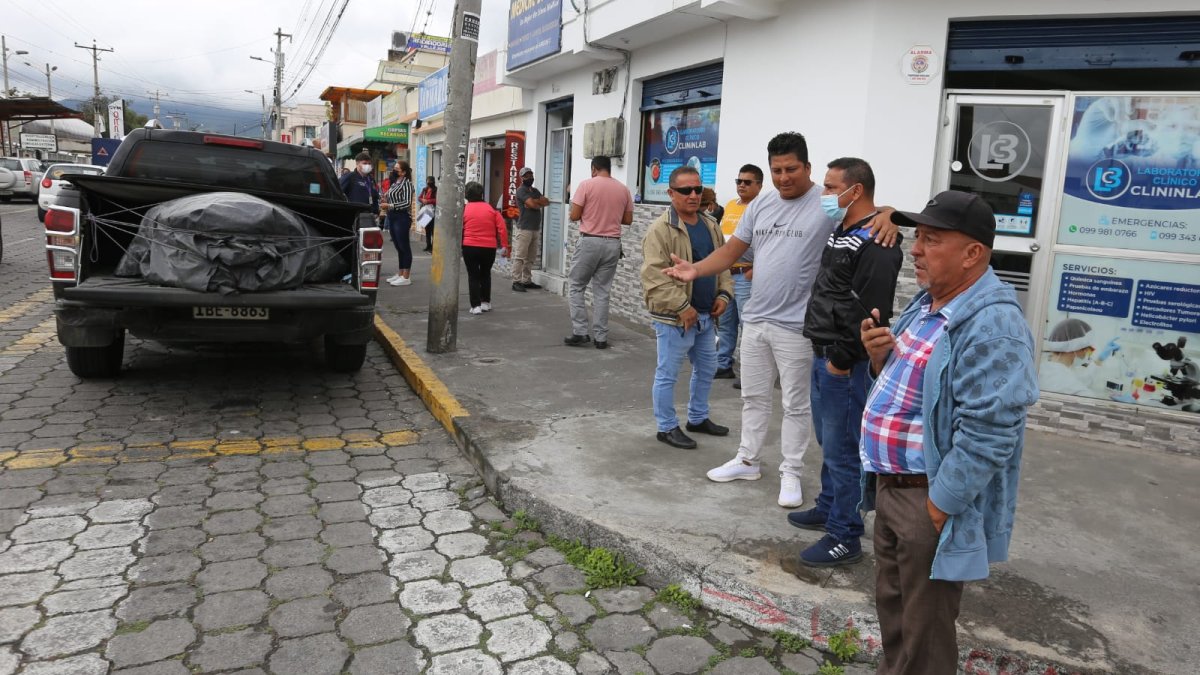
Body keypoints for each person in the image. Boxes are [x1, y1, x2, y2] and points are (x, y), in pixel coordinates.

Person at [662, 132, 896, 508]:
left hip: (798, 326)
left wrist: (889, 215)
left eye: (791, 169)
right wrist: (696, 270)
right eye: (776, 170)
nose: (783, 177)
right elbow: (733, 250)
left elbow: (865, 208)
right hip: (756, 319)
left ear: (807, 167)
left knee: (795, 404)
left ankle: (791, 471)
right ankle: (748, 460)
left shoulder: (827, 202)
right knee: (753, 398)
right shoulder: (762, 204)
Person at [859, 190, 1038, 675]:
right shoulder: (929, 304)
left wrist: (940, 506)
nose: (915, 249)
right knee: (896, 617)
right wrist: (880, 358)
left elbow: (991, 432)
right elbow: (918, 394)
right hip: (894, 488)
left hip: (928, 499)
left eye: (932, 240)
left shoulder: (994, 324)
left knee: (927, 635)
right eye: (918, 238)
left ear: (972, 254)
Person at [787, 158, 903, 568]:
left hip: (844, 363)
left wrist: (840, 360)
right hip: (824, 354)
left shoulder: (878, 241)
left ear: (855, 190)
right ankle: (830, 505)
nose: (824, 193)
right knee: (830, 443)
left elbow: (873, 313)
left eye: (831, 186)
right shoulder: (846, 229)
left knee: (845, 449)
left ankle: (845, 533)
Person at [640, 166, 733, 449]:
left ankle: (697, 417)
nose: (693, 195)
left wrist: (724, 295)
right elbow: (653, 277)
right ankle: (666, 427)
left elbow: (723, 263)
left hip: (705, 316)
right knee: (668, 373)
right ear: (671, 193)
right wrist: (682, 307)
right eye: (685, 190)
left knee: (706, 369)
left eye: (698, 189)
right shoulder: (660, 230)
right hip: (675, 319)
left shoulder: (710, 224)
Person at [564, 156, 634, 349]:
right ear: (609, 169)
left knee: (576, 286)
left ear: (594, 168)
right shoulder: (623, 189)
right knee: (602, 291)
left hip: (590, 241)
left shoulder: (586, 185)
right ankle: (601, 338)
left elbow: (574, 216)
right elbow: (628, 220)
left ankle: (580, 332)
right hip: (613, 244)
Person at [714, 164, 764, 384]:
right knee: (726, 322)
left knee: (748, 325)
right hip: (727, 274)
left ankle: (749, 374)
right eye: (738, 181)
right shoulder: (731, 206)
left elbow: (766, 243)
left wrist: (756, 268)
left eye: (747, 182)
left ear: (759, 185)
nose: (741, 185)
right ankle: (723, 364)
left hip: (746, 274)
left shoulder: (762, 208)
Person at [461, 181, 510, 315]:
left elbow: (459, 228)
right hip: (489, 247)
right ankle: (486, 303)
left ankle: (475, 306)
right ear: (481, 194)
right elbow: (502, 229)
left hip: (469, 246)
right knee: (485, 274)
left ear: (466, 195)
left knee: (473, 276)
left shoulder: (464, 209)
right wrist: (505, 246)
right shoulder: (491, 209)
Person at [512, 167, 549, 292]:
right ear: (522, 178)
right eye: (527, 176)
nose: (530, 178)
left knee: (531, 257)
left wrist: (534, 202)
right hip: (524, 228)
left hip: (535, 228)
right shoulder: (521, 191)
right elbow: (534, 204)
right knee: (520, 256)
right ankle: (516, 281)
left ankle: (526, 280)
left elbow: (546, 202)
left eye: (531, 175)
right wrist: (535, 203)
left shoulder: (534, 190)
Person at [381, 161, 415, 286]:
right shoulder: (394, 183)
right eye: (394, 168)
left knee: (404, 246)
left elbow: (407, 203)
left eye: (397, 169)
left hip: (402, 217)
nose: (394, 170)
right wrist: (385, 199)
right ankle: (400, 273)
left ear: (404, 172)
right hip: (392, 216)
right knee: (398, 247)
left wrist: (389, 205)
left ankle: (406, 276)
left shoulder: (407, 184)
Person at [419, 176, 438, 252]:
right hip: (426, 211)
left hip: (433, 211)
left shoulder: (436, 190)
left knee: (433, 230)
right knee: (427, 229)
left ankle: (433, 247)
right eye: (427, 181)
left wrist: (428, 201)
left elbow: (437, 200)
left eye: (430, 181)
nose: (428, 182)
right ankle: (428, 245)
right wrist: (422, 200)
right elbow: (419, 197)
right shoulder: (425, 189)